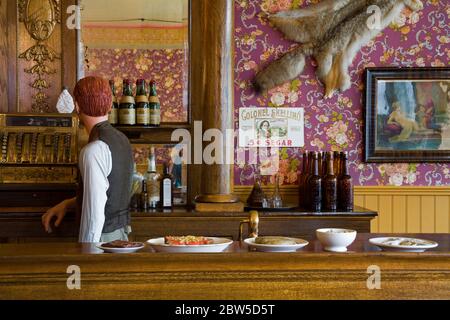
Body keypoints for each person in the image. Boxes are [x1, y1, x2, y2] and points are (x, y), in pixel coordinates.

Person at [42, 77, 134, 243]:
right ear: (109, 105)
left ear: (77, 106)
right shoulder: (122, 140)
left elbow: (94, 215)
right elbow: (109, 193)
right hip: (121, 236)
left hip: (101, 241)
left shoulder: (92, 150)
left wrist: (86, 255)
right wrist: (69, 203)